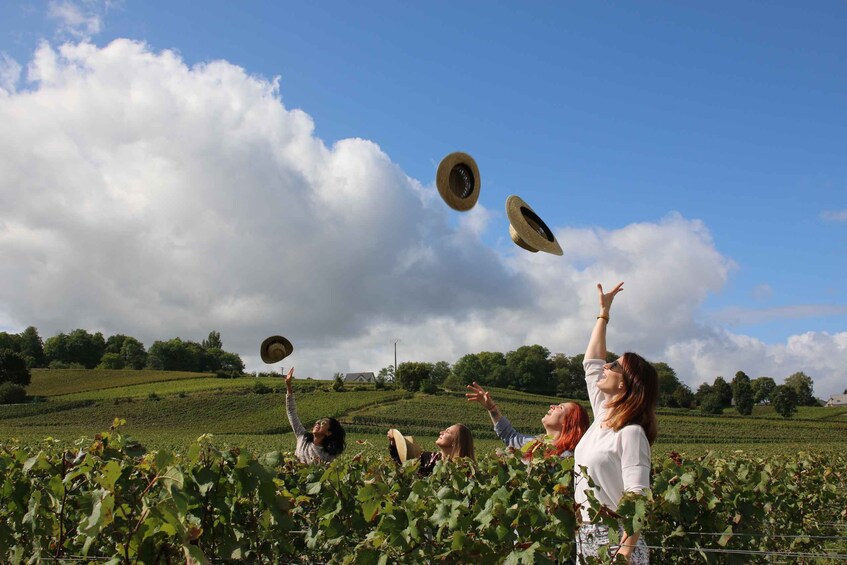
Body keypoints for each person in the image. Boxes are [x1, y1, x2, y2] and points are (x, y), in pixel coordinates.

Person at [574, 282, 658, 564]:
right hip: (586, 536)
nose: (606, 366)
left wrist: (623, 554)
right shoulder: (602, 417)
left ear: (625, 383)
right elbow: (592, 362)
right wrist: (603, 313)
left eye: (614, 365)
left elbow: (637, 497)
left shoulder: (631, 433)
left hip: (616, 540)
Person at [466, 382, 589, 459]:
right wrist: (491, 408)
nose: (552, 406)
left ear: (568, 422)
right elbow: (509, 435)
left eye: (560, 407)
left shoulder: (567, 457)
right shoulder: (534, 444)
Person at [285, 367, 346, 464]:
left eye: (323, 423)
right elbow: (291, 412)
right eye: (318, 422)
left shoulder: (328, 456)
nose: (318, 423)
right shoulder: (303, 437)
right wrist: (288, 386)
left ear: (329, 433)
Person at [387, 424, 475, 476]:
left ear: (455, 442)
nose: (441, 432)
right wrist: (394, 444)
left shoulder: (465, 470)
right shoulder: (428, 458)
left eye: (447, 432)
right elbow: (402, 463)